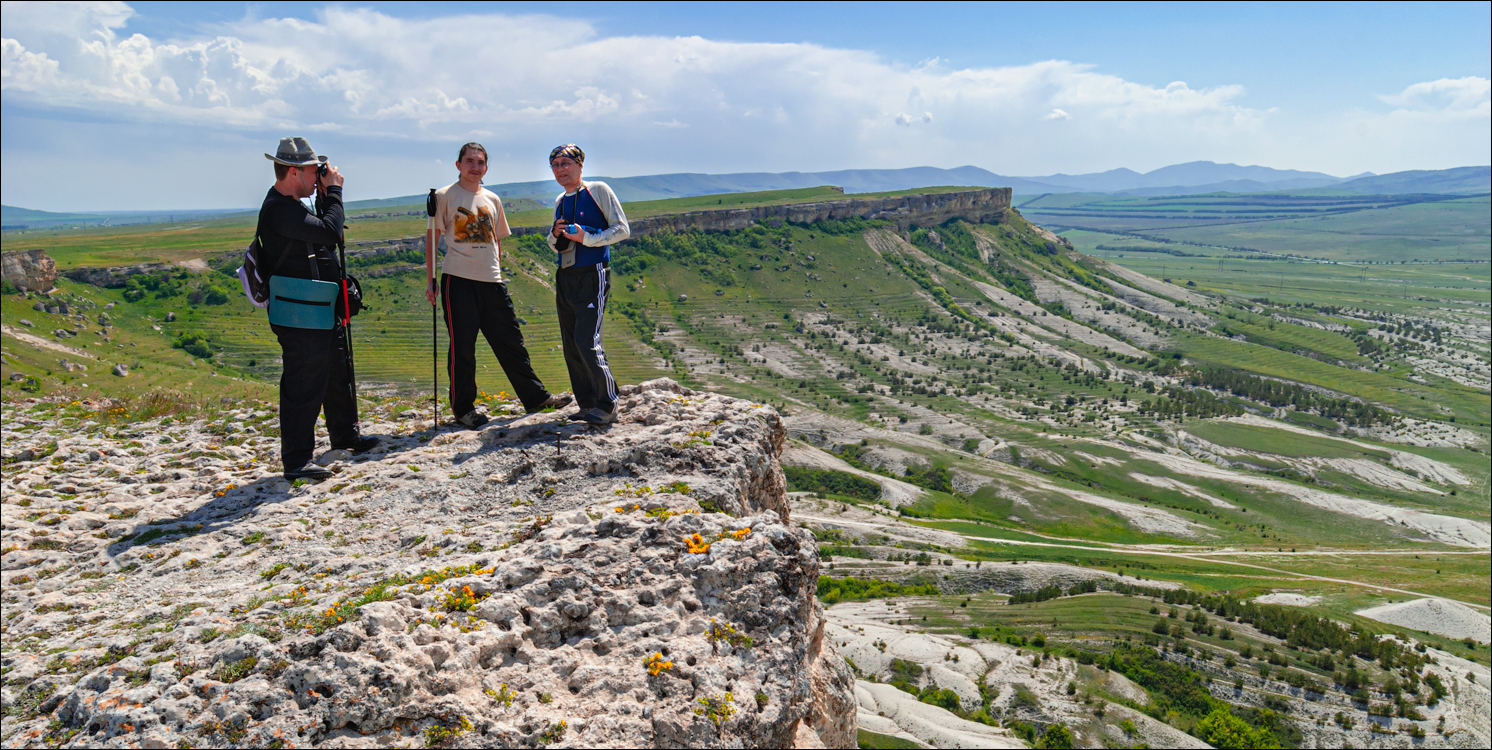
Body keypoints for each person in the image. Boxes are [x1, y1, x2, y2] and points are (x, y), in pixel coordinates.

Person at [258, 137, 378, 481]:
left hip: (317, 306)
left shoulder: (295, 204)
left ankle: (345, 435)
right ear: (294, 171)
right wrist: (336, 193)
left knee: (336, 370)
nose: (319, 176)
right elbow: (329, 232)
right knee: (303, 382)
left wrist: (326, 197)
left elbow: (328, 234)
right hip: (298, 312)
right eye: (314, 170)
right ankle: (296, 460)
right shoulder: (279, 208)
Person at [426, 142, 570, 428]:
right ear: (458, 165)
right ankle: (463, 409)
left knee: (511, 342)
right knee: (463, 348)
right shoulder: (444, 196)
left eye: (480, 162)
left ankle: (535, 397)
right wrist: (431, 282)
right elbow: (432, 241)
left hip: (491, 280)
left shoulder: (492, 198)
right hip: (459, 280)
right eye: (469, 161)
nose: (475, 167)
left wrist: (498, 272)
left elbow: (497, 240)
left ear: (486, 168)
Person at [546, 144, 630, 425]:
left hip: (593, 273)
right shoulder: (560, 200)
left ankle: (608, 403)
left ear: (580, 165)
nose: (561, 169)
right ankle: (587, 403)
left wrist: (587, 238)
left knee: (586, 340)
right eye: (555, 165)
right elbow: (553, 243)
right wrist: (556, 234)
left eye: (566, 163)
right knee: (571, 343)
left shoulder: (599, 190)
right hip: (567, 274)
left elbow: (622, 229)